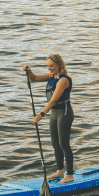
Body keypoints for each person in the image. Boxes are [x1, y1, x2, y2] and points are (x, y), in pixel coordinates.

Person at [25, 54, 74, 183]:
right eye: (47, 66)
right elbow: (34, 78)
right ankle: (59, 171)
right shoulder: (51, 76)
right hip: (54, 114)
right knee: (55, 143)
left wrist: (41, 114)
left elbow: (53, 101)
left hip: (64, 113)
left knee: (64, 143)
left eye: (52, 66)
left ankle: (69, 174)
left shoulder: (63, 80)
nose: (49, 69)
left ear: (59, 65)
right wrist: (29, 71)